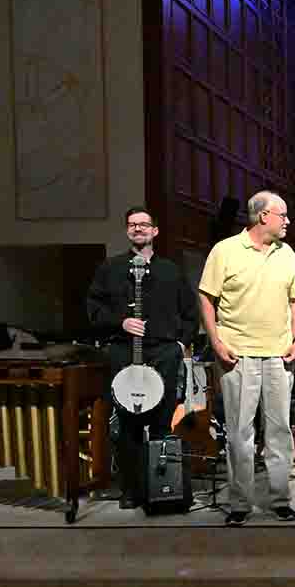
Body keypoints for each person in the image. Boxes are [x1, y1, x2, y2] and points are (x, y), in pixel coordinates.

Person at [198, 191, 295, 526]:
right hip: (237, 355)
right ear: (263, 217)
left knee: (278, 432)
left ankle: (280, 499)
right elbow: (206, 297)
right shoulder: (225, 250)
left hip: (278, 354)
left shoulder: (286, 252)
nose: (287, 221)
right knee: (239, 433)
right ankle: (240, 504)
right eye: (282, 215)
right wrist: (215, 341)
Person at [86, 207, 198, 510]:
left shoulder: (171, 270)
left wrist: (179, 344)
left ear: (155, 231)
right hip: (124, 352)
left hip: (163, 353)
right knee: (127, 426)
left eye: (144, 224)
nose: (138, 229)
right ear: (127, 231)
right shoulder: (109, 269)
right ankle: (131, 490)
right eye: (133, 225)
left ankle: (161, 489)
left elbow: (190, 313)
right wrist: (119, 322)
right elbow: (93, 310)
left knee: (162, 423)